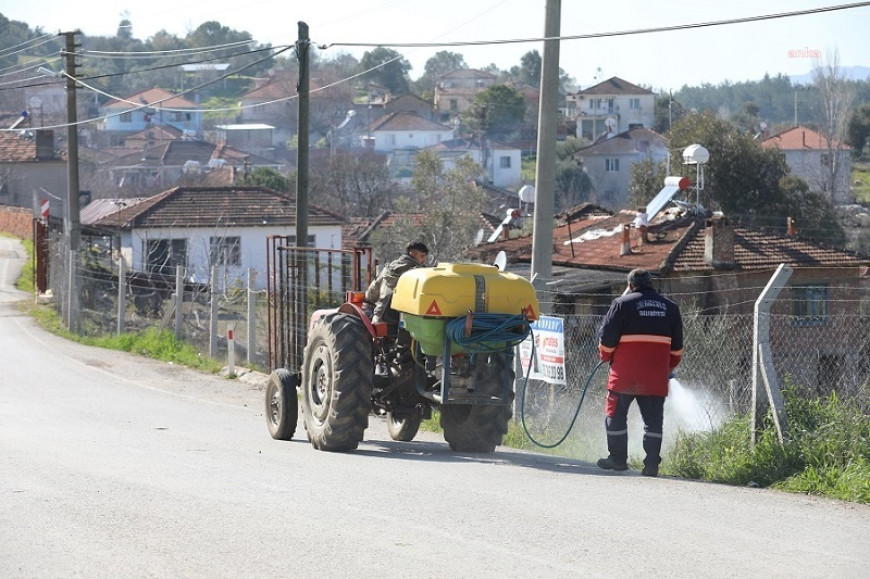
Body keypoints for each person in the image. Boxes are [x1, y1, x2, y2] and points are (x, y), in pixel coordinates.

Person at [596, 268, 683, 477]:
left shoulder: (621, 304)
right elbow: (677, 350)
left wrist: (606, 357)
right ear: (651, 284)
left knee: (615, 416)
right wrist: (667, 368)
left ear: (631, 286)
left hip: (624, 374)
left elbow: (606, 342)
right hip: (655, 376)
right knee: (653, 422)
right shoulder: (671, 308)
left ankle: (617, 460)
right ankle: (651, 465)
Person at [365, 241, 429, 324]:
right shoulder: (419, 274)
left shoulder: (387, 269)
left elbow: (371, 294)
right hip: (410, 322)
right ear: (412, 254)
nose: (424, 260)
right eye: (422, 256)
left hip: (381, 319)